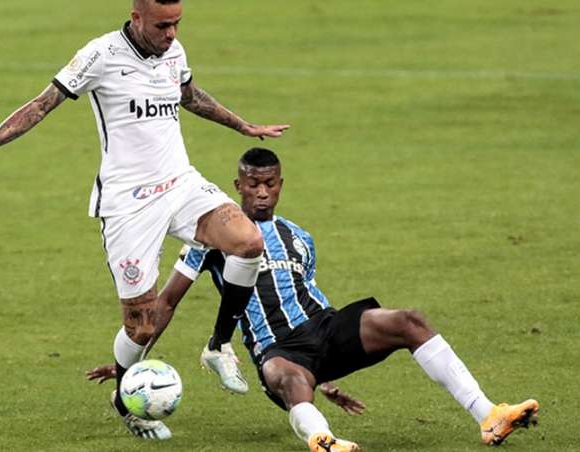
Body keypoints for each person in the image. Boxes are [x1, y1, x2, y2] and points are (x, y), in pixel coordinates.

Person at [0, 0, 289, 440]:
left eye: (178, 24)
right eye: (163, 25)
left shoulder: (174, 53)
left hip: (181, 185)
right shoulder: (100, 56)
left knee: (249, 241)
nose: (172, 35)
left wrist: (242, 126)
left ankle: (218, 345)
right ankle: (127, 399)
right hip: (128, 205)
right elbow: (41, 106)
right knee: (142, 328)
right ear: (137, 17)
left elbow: (188, 95)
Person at [87, 148, 540, 451]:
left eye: (270, 184)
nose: (261, 192)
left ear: (280, 184)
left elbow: (311, 295)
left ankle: (489, 415)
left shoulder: (299, 237)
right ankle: (324, 441)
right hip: (276, 350)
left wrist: (330, 376)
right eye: (252, 184)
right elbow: (165, 303)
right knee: (290, 379)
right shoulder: (209, 239)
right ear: (237, 186)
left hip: (323, 326)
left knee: (409, 321)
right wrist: (133, 361)